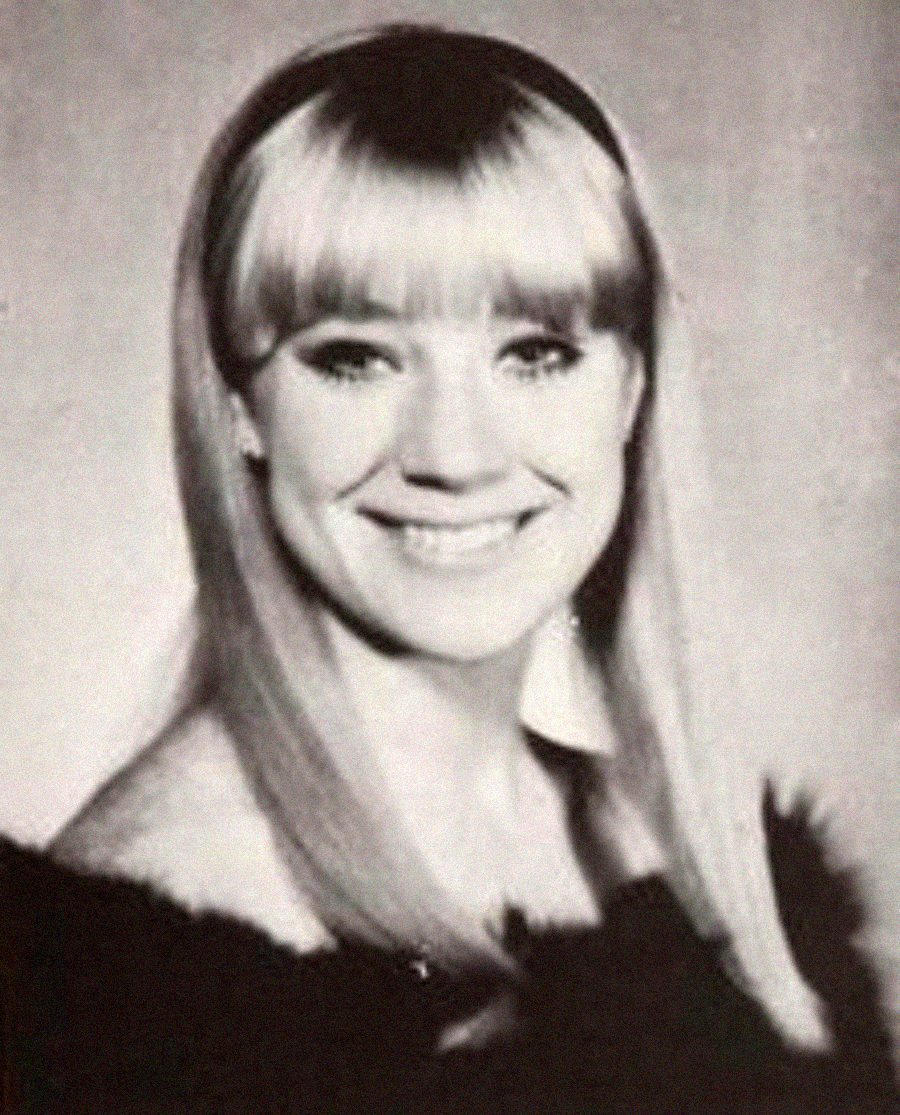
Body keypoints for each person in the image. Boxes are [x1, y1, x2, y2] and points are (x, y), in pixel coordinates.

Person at [3, 24, 897, 1113]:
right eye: (355, 357)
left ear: (632, 388)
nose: (456, 454)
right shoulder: (125, 953)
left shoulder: (700, 863)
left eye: (536, 353)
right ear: (239, 404)